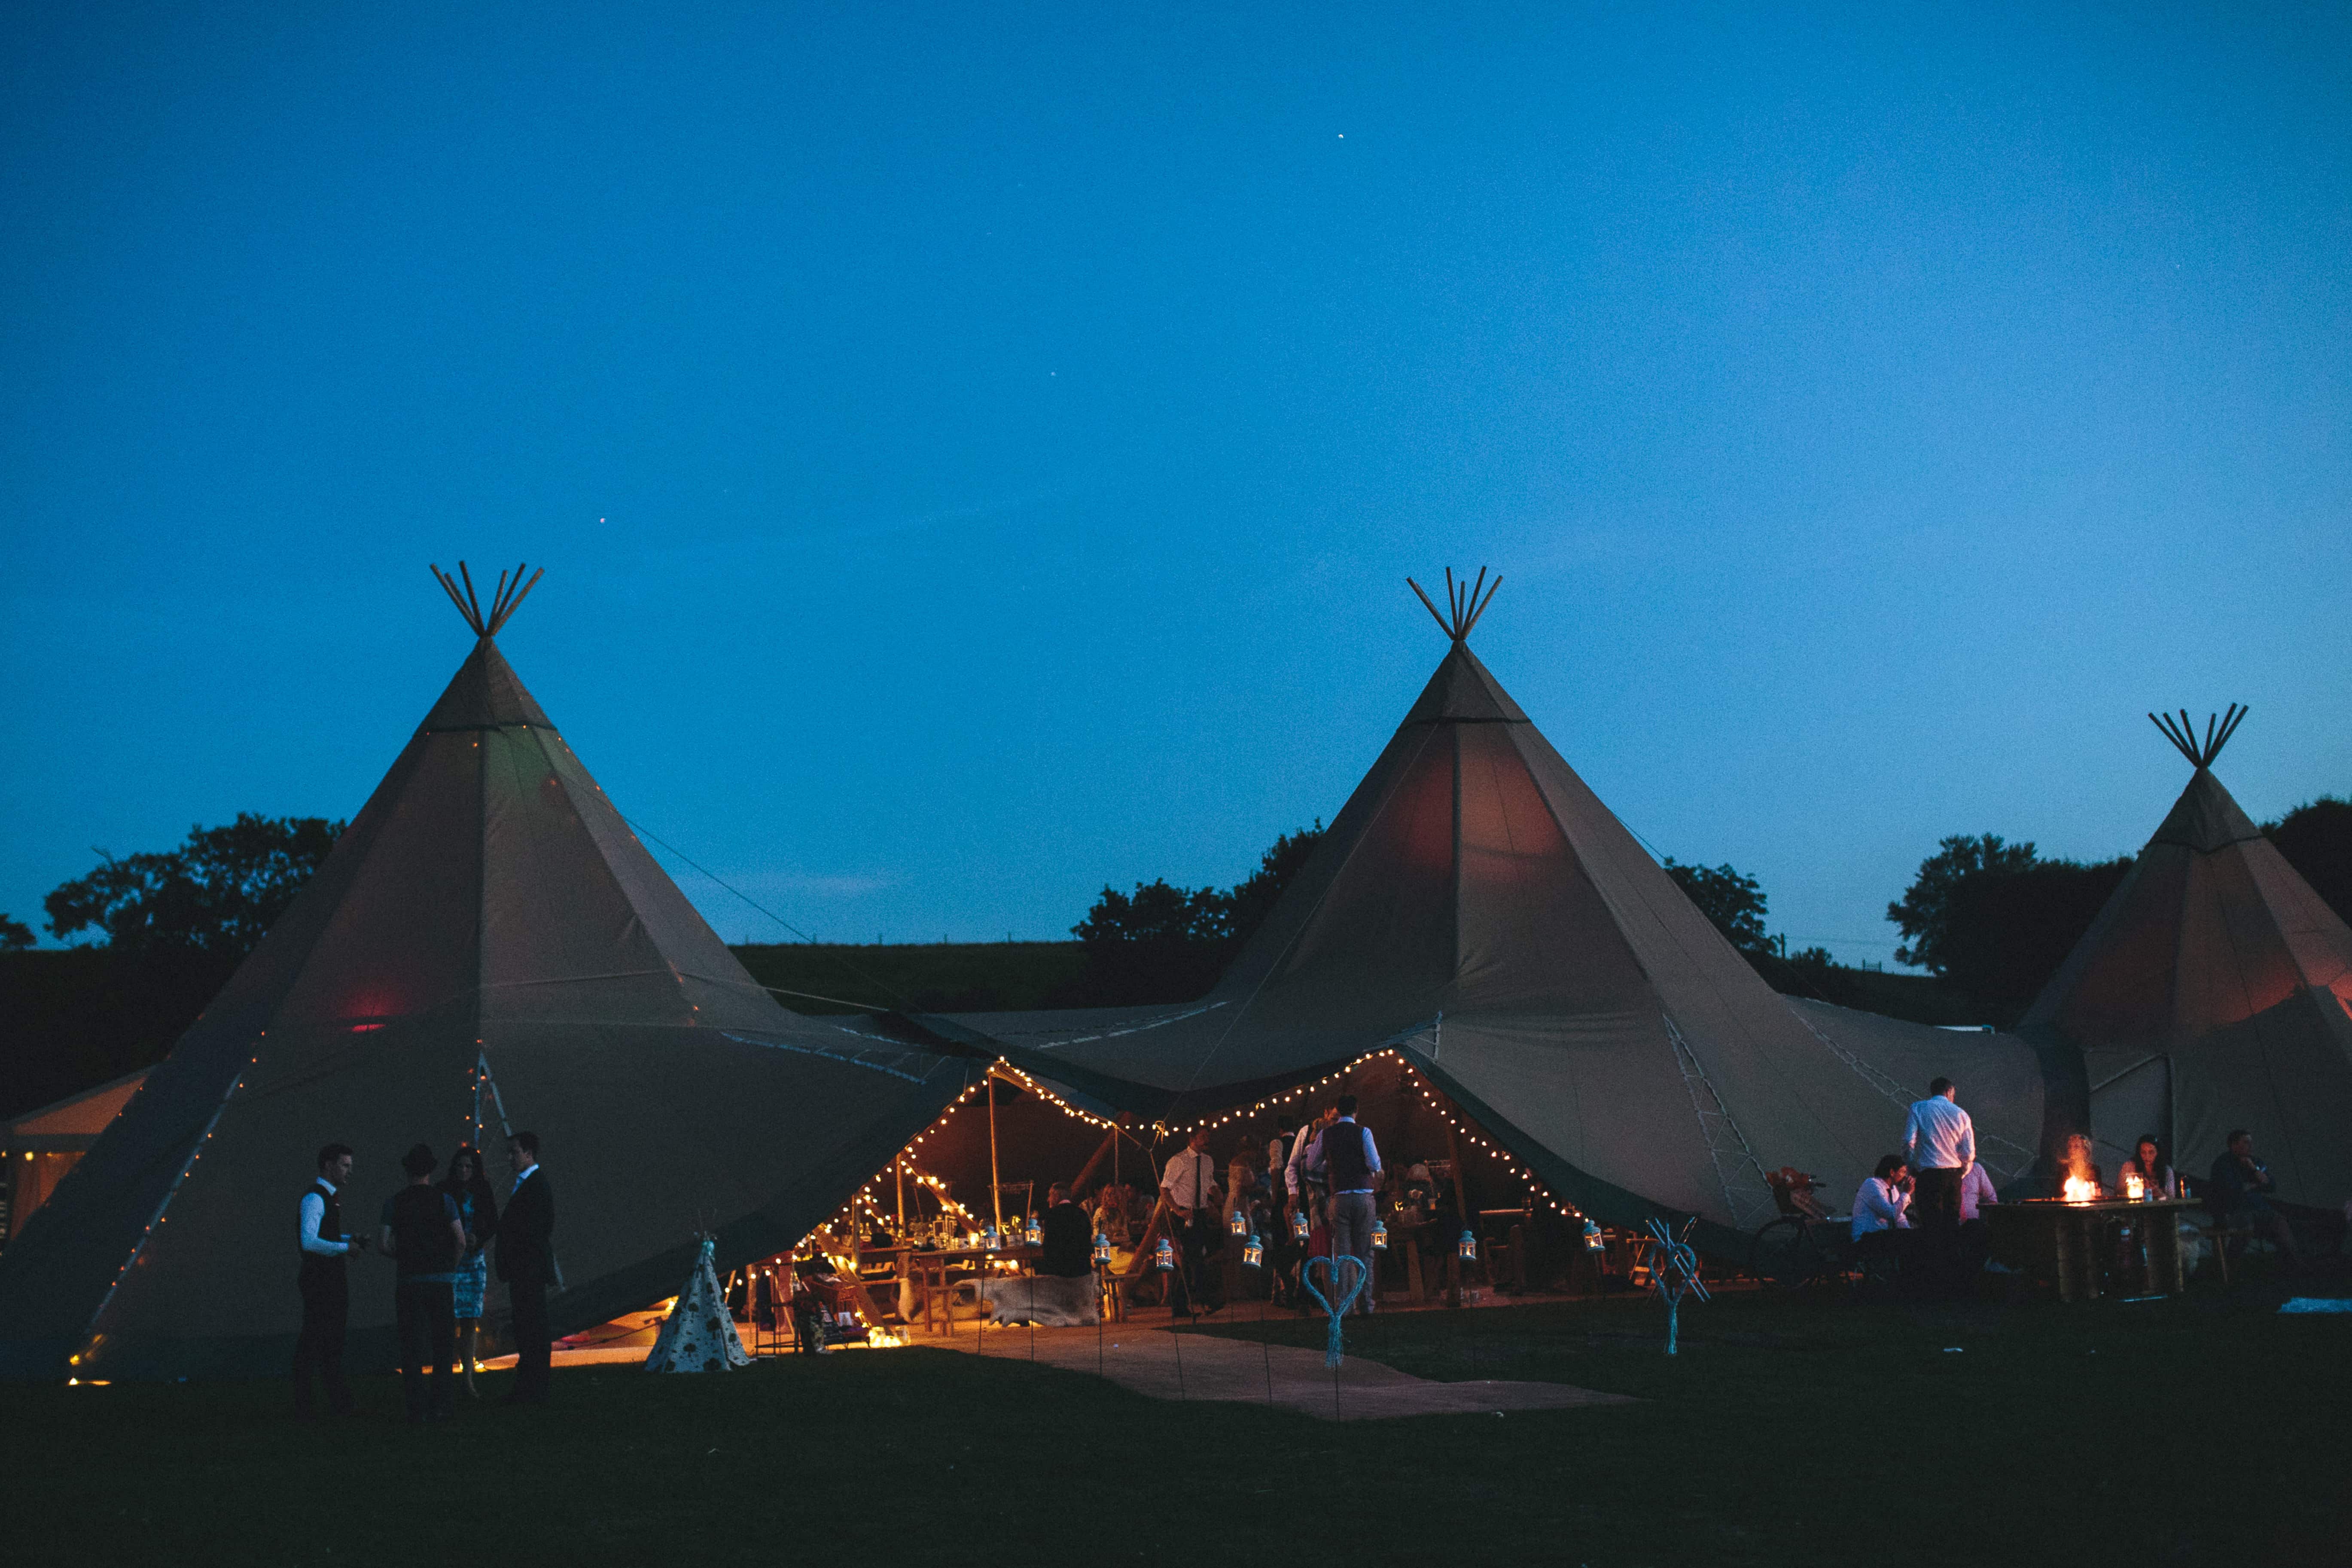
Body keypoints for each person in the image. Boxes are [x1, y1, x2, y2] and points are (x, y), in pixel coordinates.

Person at [379, 1142, 466, 1424]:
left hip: (409, 1281)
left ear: (407, 1171)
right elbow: (461, 1239)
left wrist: (403, 1255)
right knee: (443, 1345)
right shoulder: (445, 1201)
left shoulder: (395, 1202)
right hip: (440, 1281)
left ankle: (416, 1407)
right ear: (431, 1170)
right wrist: (449, 1265)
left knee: (411, 1346)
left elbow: (383, 1243)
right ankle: (442, 1405)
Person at [294, 1142, 368, 1418]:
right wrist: (345, 1248)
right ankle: (326, 1404)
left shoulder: (326, 1198)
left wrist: (349, 1240)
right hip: (322, 1282)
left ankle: (331, 1403)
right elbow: (309, 1241)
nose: (350, 1171)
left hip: (327, 1280)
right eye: (345, 1165)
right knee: (319, 1341)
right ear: (329, 1165)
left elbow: (320, 1236)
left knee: (324, 1342)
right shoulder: (315, 1199)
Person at [1306, 1093, 1383, 1316]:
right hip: (1363, 1196)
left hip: (1338, 1197)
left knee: (1340, 1254)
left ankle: (1343, 1306)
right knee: (1364, 1253)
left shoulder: (1327, 1134)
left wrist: (1332, 1167)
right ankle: (1365, 1304)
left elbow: (1312, 1163)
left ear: (1338, 1111)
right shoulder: (1364, 1132)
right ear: (1356, 1111)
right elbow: (1374, 1163)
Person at [497, 1130, 557, 1404]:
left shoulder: (535, 1185)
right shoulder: (533, 1184)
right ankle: (532, 1386)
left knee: (531, 1328)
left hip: (527, 1270)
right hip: (526, 1269)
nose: (510, 1158)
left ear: (528, 1153)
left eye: (514, 1152)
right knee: (529, 1328)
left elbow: (537, 1227)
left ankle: (534, 1387)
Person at [440, 1145, 500, 1398]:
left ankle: (467, 1378)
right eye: (461, 1166)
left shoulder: (482, 1191)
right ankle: (448, 1376)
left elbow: (493, 1221)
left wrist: (480, 1237)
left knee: (470, 1319)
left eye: (469, 1167)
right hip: (452, 1260)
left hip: (473, 1260)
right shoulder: (444, 1191)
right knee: (447, 1318)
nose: (464, 1171)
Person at [2207, 1129, 2301, 1272]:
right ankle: (2231, 1266)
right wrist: (2253, 1186)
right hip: (2233, 1211)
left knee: (2279, 1222)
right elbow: (2231, 1190)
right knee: (2245, 1224)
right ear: (2234, 1145)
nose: (2250, 1146)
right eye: (2246, 1143)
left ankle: (2295, 1264)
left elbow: (2270, 1185)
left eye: (2250, 1143)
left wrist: (2253, 1169)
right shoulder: (2223, 1164)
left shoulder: (2255, 1162)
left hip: (2259, 1209)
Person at [1159, 1128, 1222, 1317]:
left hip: (1200, 1213)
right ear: (1192, 1139)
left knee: (1195, 1258)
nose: (1206, 1140)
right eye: (1202, 1137)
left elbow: (1208, 1183)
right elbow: (1165, 1189)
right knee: (1192, 1258)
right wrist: (1177, 1210)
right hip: (1183, 1213)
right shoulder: (1179, 1160)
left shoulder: (1207, 1161)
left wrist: (1216, 1193)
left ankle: (1190, 1302)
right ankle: (1203, 1299)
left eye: (1207, 1137)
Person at [1850, 1155, 1914, 1267]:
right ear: (1892, 1172)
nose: (1905, 1177)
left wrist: (1911, 1235)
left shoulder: (1894, 1190)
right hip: (1867, 1238)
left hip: (1883, 1236)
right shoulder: (1872, 1185)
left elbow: (1900, 1218)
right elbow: (1891, 1214)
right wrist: (1906, 1194)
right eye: (1903, 1172)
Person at [1037, 1181, 1092, 1278]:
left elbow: (1049, 1246)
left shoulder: (1052, 1215)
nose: (1048, 1200)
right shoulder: (1082, 1213)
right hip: (1082, 1268)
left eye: (1050, 1195)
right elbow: (1088, 1240)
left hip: (1060, 1269)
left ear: (1056, 1196)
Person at [2119, 1134, 2178, 1199]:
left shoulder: (2167, 1170)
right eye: (2143, 1152)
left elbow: (2171, 1199)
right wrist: (2136, 1188)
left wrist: (2158, 1192)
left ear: (2158, 1153)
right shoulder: (2129, 1167)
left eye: (2151, 1152)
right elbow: (2118, 1191)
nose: (2147, 1156)